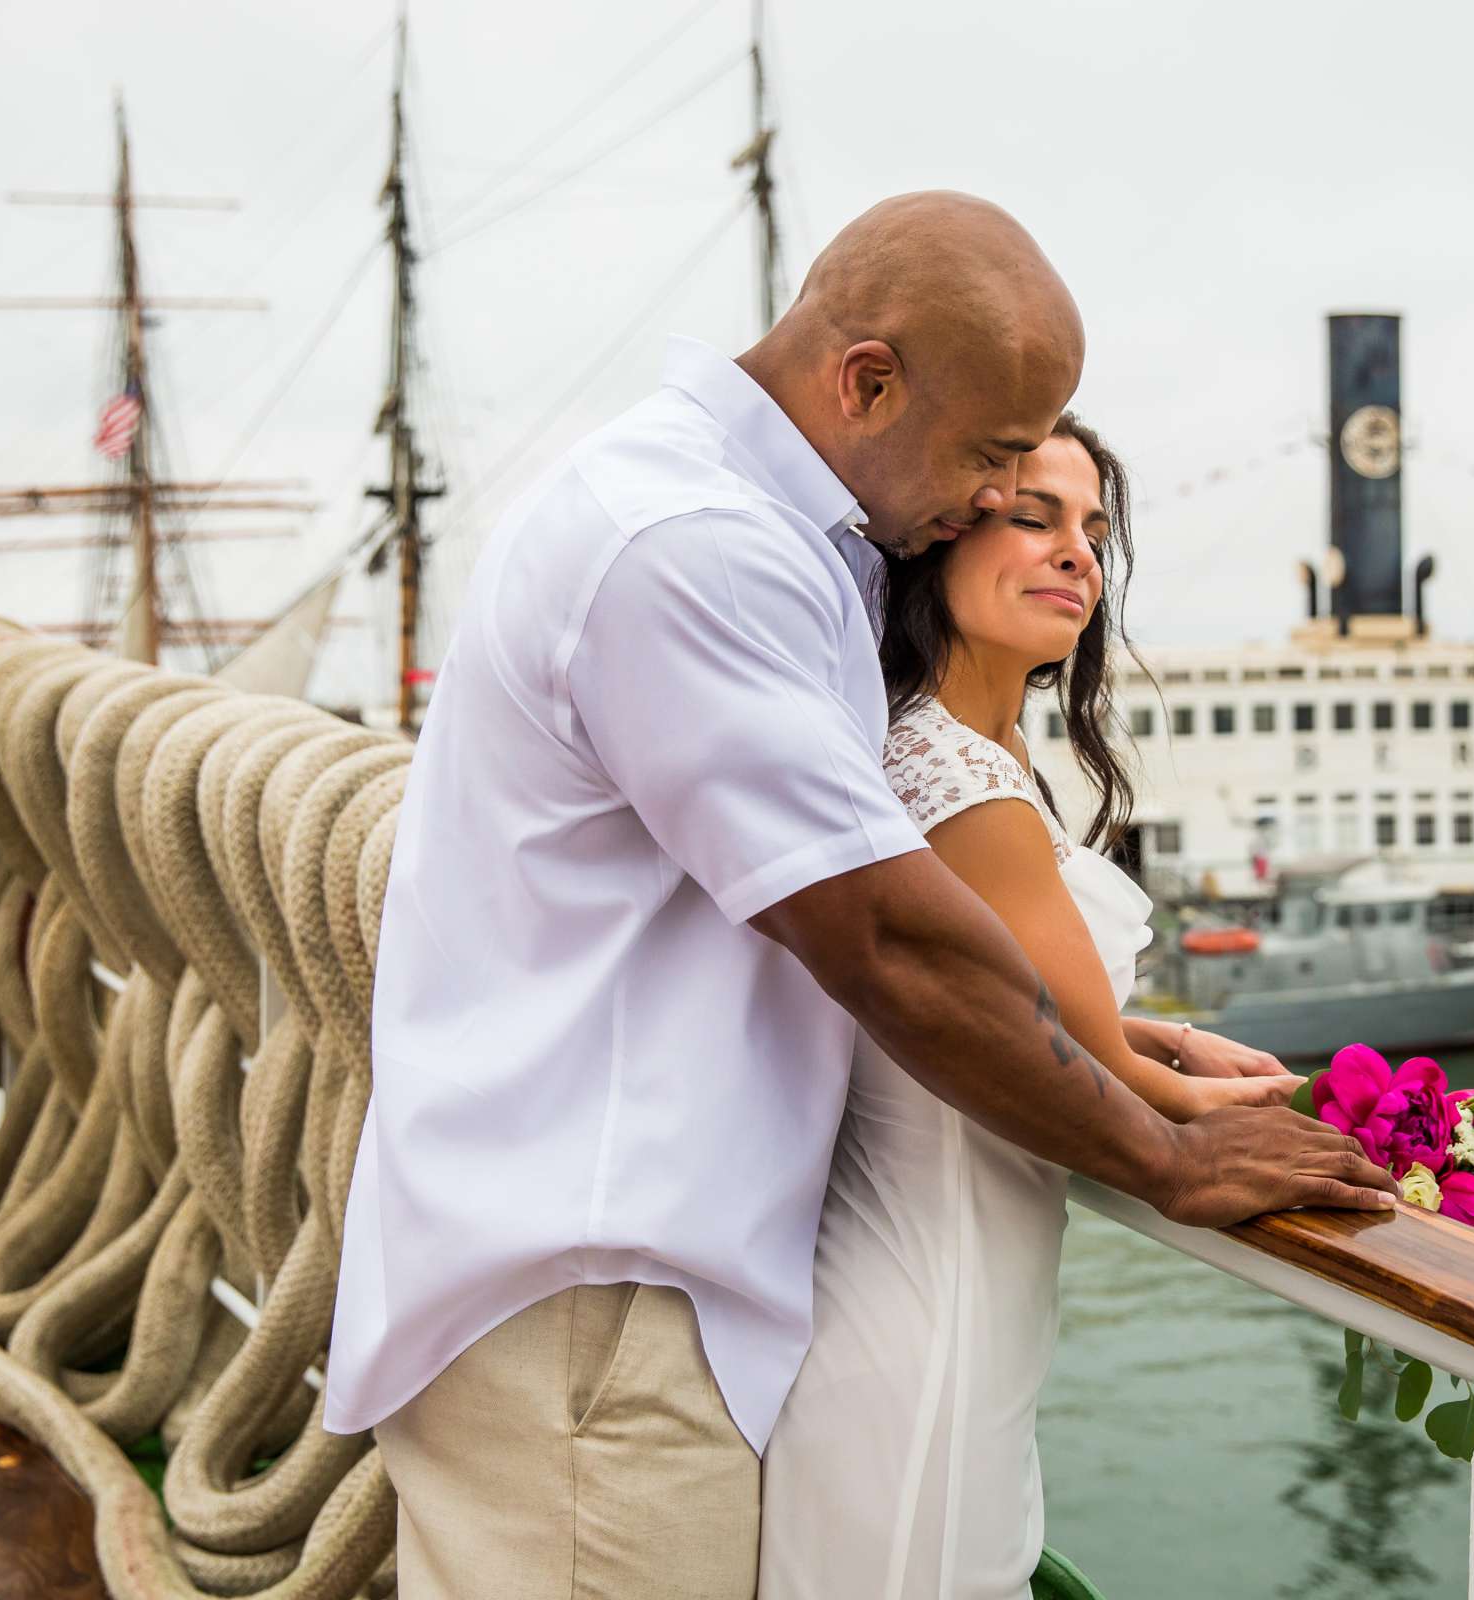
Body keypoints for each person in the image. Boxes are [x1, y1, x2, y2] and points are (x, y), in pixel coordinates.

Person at [324, 191, 1395, 1599]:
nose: (1005, 494)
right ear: (867, 381)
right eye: (996, 453)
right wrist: (1167, 1158)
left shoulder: (761, 531)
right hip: (591, 1315)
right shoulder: (686, 545)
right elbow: (882, 933)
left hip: (622, 1292)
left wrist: (1134, 1049)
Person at [760, 412, 1295, 1596]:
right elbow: (1090, 1066)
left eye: (1095, 530)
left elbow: (1029, 1008)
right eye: (1035, 518)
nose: (1079, 555)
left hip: (940, 1295)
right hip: (926, 1308)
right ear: (940, 543)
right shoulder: (956, 781)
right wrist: (1351, 1141)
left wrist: (1171, 1042)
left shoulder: (956, 759)